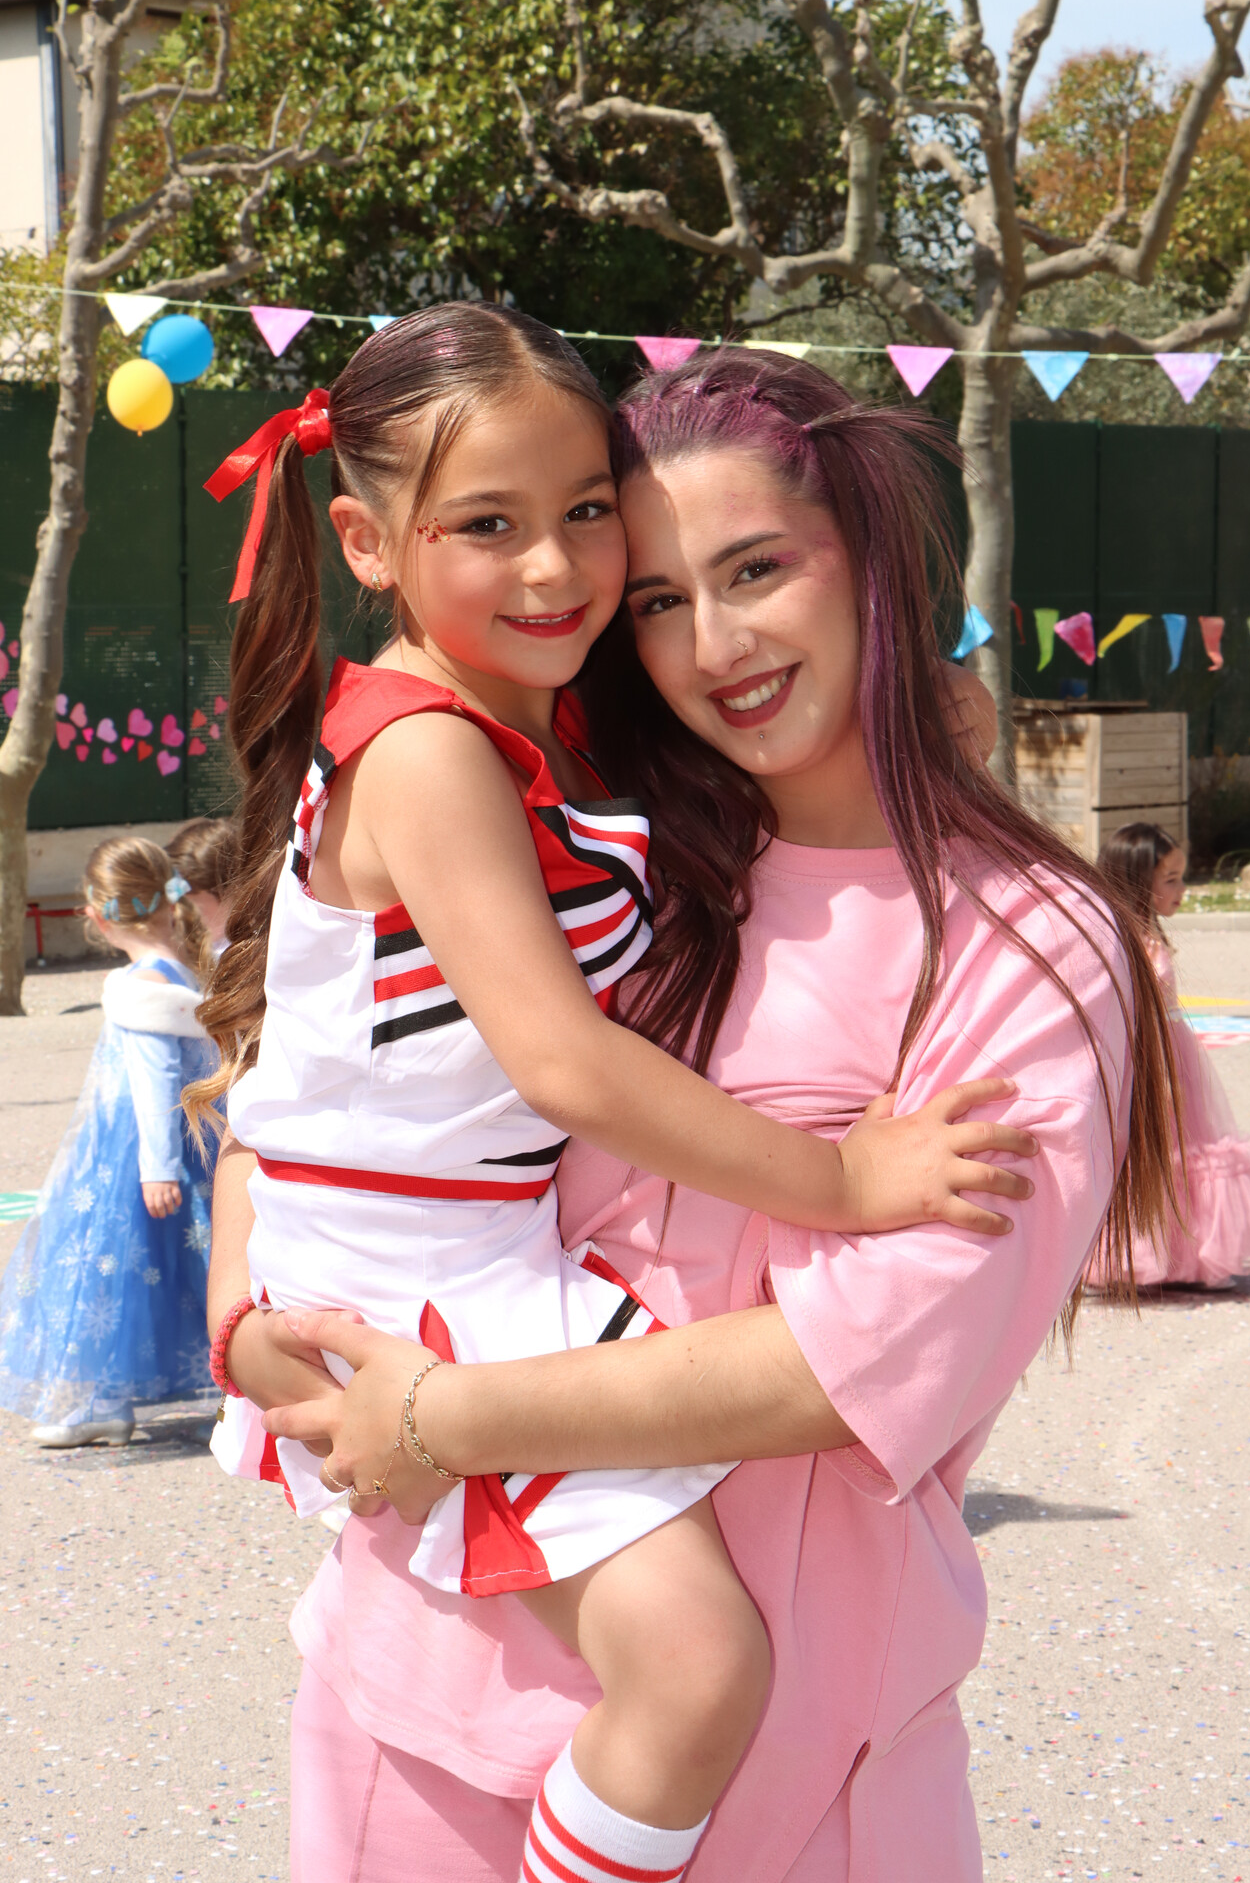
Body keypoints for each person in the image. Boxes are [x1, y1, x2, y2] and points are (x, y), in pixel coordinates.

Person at [205, 344, 1180, 1882]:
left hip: (791, 1765)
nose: (713, 644)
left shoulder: (1027, 946)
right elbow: (316, 1082)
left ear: (873, 563)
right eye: (659, 598)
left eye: (757, 570)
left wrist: (439, 1416)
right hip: (423, 1705)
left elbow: (862, 1357)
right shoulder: (623, 846)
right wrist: (250, 1325)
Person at [0, 838, 216, 1449]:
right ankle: (219, 1390)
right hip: (186, 1151)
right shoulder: (183, 973)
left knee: (112, 1276)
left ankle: (103, 1402)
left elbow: (156, 1085)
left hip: (138, 1158)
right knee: (184, 1271)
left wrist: (158, 1168)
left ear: (95, 916)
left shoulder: (142, 988)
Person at [1094, 820, 1250, 1288]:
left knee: (1183, 1149)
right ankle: (1150, 1254)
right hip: (1152, 1060)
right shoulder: (1127, 942)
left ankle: (1183, 1254)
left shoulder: (1143, 936)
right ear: (1138, 882)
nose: (1183, 889)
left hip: (1173, 1055)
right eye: (1172, 879)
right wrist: (1157, 1077)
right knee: (1161, 1151)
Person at [167, 815, 238, 956]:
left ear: (230, 894)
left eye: (190, 907)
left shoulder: (251, 954)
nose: (176, 914)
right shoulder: (182, 948)